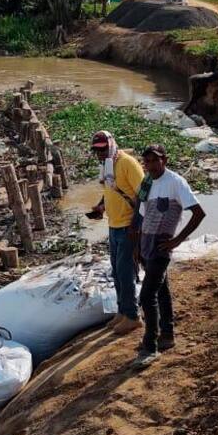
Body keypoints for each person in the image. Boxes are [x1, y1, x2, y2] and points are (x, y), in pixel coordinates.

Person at [130, 143, 205, 367]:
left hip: (162, 248)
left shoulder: (176, 182)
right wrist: (137, 248)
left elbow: (199, 213)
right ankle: (167, 334)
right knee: (161, 290)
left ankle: (150, 347)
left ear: (165, 160)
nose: (151, 165)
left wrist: (177, 240)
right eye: (147, 161)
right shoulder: (147, 182)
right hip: (147, 245)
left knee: (146, 296)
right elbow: (142, 216)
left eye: (155, 160)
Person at [86, 131, 146, 335]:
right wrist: (101, 207)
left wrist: (135, 226)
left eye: (102, 149)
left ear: (110, 146)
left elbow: (143, 197)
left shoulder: (127, 163)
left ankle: (132, 317)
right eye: (96, 150)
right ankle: (123, 311)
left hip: (128, 226)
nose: (99, 154)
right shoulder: (107, 165)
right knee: (117, 271)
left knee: (125, 271)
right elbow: (111, 191)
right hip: (114, 225)